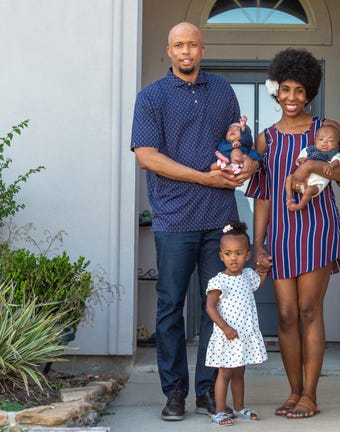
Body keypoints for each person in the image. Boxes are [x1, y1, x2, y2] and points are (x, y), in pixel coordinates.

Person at [130, 22, 260, 422]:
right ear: (169, 51)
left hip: (221, 219)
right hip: (174, 217)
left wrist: (246, 161)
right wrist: (203, 177)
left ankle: (208, 390)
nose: (186, 51)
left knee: (216, 308)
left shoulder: (222, 90)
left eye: (192, 44)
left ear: (202, 49)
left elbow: (239, 142)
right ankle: (174, 393)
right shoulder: (151, 97)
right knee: (170, 307)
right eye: (178, 45)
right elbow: (147, 155)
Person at [245, 48, 340, 419]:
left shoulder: (326, 130)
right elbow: (263, 198)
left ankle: (311, 394)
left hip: (316, 228)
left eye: (300, 90)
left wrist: (314, 163)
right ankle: (293, 392)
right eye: (286, 89)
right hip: (280, 235)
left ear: (309, 93)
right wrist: (258, 244)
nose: (292, 97)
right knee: (284, 315)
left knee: (310, 310)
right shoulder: (266, 139)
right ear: (276, 91)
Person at [205, 220, 269, 426]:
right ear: (221, 255)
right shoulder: (218, 281)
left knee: (239, 373)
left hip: (243, 335)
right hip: (228, 335)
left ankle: (240, 407)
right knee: (224, 374)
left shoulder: (248, 275)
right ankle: (219, 411)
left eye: (239, 253)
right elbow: (210, 307)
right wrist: (225, 328)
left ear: (247, 255)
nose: (234, 258)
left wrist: (264, 270)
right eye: (228, 253)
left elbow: (258, 283)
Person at [285, 124, 340, 211]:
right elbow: (298, 160)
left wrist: (331, 165)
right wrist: (301, 160)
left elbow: (337, 161)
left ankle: (300, 205)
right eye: (321, 139)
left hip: (315, 184)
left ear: (337, 146)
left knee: (309, 190)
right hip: (298, 181)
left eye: (330, 141)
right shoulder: (308, 150)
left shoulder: (333, 154)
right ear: (315, 141)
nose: (325, 142)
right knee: (289, 178)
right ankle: (290, 197)